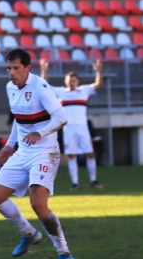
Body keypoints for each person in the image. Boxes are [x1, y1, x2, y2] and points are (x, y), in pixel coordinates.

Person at [0, 49, 75, 259]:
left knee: (38, 203)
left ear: (28, 68)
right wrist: (9, 145)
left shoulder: (41, 87)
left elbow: (61, 118)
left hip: (45, 151)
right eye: (9, 68)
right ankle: (28, 233)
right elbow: (20, 120)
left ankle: (64, 253)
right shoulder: (10, 87)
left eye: (16, 68)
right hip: (24, 151)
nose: (12, 73)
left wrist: (41, 133)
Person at [40, 58, 104, 190]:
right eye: (69, 80)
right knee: (72, 155)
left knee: (90, 153)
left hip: (83, 128)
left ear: (78, 81)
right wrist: (44, 70)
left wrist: (98, 71)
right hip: (68, 128)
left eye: (74, 80)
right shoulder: (61, 92)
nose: (72, 83)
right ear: (66, 82)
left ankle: (93, 179)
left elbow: (98, 85)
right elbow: (44, 86)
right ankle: (75, 182)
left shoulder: (84, 91)